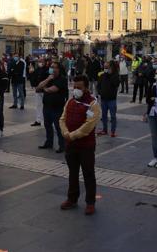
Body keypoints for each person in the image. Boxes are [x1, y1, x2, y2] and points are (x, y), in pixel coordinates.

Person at [59, 75, 101, 215]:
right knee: (73, 172)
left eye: (79, 87)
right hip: (71, 145)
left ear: (86, 88)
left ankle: (90, 202)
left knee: (88, 173)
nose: (76, 90)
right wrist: (65, 132)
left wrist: (71, 136)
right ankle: (72, 199)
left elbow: (88, 126)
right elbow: (62, 118)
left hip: (86, 146)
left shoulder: (93, 104)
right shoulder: (70, 101)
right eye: (74, 87)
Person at [37, 61, 68, 153]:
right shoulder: (49, 78)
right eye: (51, 67)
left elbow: (52, 90)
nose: (52, 69)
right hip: (47, 106)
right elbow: (38, 87)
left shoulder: (62, 79)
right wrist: (48, 79)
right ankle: (49, 142)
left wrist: (44, 88)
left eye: (54, 67)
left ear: (58, 69)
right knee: (47, 126)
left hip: (57, 107)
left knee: (58, 127)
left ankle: (62, 145)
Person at [97, 61, 120, 137]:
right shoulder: (102, 76)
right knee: (104, 115)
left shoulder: (115, 76)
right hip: (103, 99)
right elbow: (98, 86)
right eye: (105, 67)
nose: (105, 69)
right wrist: (100, 92)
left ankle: (113, 131)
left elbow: (116, 84)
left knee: (113, 116)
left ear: (111, 67)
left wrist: (110, 75)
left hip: (112, 99)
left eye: (107, 67)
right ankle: (104, 129)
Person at [29, 58, 49, 127]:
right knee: (38, 105)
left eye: (42, 61)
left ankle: (47, 120)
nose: (40, 63)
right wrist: (31, 73)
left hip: (45, 91)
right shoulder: (37, 70)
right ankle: (38, 120)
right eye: (39, 61)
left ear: (45, 62)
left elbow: (49, 80)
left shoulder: (48, 70)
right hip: (38, 90)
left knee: (47, 106)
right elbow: (33, 79)